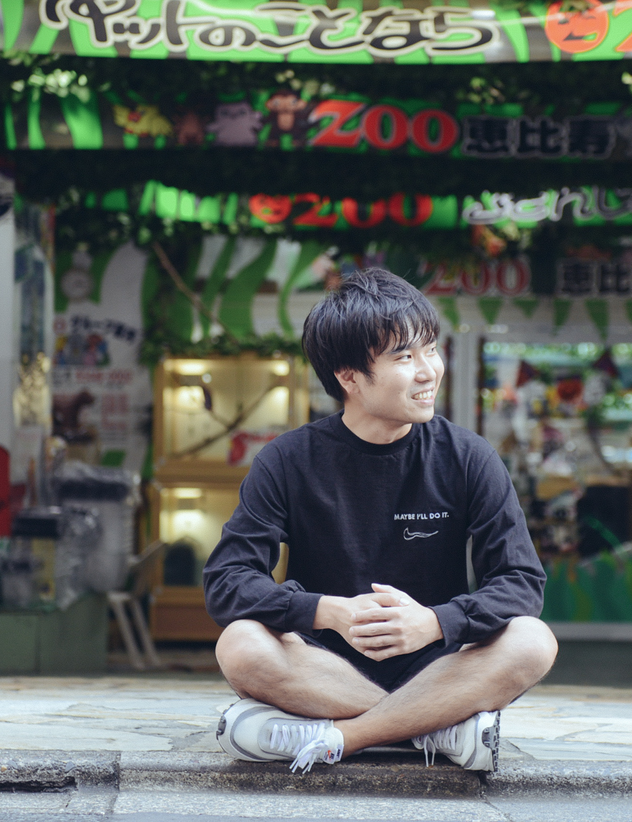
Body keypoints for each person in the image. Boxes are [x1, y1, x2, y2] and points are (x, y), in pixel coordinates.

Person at [204, 269, 556, 774]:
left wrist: (435, 622)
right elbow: (227, 581)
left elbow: (521, 582)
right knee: (240, 645)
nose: (429, 371)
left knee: (532, 641)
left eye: (431, 349)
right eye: (404, 357)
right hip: (322, 665)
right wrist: (328, 612)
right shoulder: (287, 460)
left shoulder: (468, 457)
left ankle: (344, 737)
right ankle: (437, 728)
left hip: (440, 663)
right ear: (348, 376)